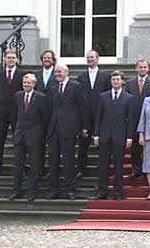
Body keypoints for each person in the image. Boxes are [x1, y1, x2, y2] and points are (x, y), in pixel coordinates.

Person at [47, 64, 89, 200]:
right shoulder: (53, 89)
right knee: (53, 161)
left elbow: (83, 107)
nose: (57, 74)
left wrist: (84, 127)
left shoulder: (76, 86)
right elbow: (49, 110)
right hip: (54, 130)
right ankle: (53, 189)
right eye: (55, 72)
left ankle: (70, 189)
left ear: (66, 72)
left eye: (59, 71)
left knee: (68, 160)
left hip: (69, 129)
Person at [9, 74, 50, 202]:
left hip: (34, 135)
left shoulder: (41, 98)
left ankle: (32, 191)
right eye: (24, 82)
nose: (26, 85)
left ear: (34, 84)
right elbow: (14, 115)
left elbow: (45, 117)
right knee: (18, 164)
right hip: (20, 134)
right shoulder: (17, 96)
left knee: (34, 164)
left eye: (29, 83)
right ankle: (16, 190)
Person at [94, 71, 134, 200]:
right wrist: (96, 134)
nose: (115, 81)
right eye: (113, 79)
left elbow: (131, 119)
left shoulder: (128, 98)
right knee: (103, 165)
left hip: (120, 136)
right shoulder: (103, 96)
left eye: (117, 79)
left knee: (118, 165)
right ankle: (102, 192)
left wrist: (129, 137)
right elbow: (98, 117)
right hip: (105, 135)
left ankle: (118, 192)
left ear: (122, 81)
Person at [0, 49, 26, 178]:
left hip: (17, 111)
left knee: (19, 140)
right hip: (2, 111)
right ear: (4, 59)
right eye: (8, 57)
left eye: (13, 57)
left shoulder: (22, 74)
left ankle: (21, 166)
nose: (11, 59)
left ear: (17, 59)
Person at [76, 50, 111, 179]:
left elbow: (108, 96)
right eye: (88, 57)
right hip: (84, 116)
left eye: (92, 57)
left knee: (103, 144)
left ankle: (103, 167)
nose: (90, 59)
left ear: (97, 59)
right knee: (83, 145)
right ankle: (81, 169)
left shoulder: (106, 76)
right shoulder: (80, 77)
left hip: (101, 115)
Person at [125, 58, 150, 178]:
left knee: (147, 146)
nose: (142, 69)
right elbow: (126, 99)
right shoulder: (129, 83)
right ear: (136, 68)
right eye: (140, 67)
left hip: (149, 119)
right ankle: (136, 169)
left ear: (148, 68)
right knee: (135, 147)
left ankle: (147, 169)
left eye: (144, 67)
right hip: (133, 118)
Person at [33, 49, 58, 177]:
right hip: (39, 114)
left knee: (53, 143)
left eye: (49, 58)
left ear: (53, 60)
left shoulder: (58, 73)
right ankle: (40, 167)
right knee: (39, 143)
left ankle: (52, 168)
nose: (47, 60)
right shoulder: (36, 74)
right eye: (45, 58)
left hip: (54, 113)